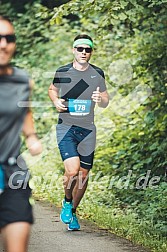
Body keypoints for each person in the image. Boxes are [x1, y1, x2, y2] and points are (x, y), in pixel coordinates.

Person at [48, 34, 109, 231]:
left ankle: (73, 211)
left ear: (91, 52)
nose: (84, 52)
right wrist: (55, 101)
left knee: (83, 174)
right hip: (66, 127)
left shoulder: (97, 73)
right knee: (72, 170)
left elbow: (106, 101)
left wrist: (100, 98)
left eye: (87, 49)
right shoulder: (63, 71)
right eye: (80, 49)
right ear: (73, 50)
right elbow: (52, 89)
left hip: (88, 129)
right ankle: (66, 201)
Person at [0, 15, 42, 252]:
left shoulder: (22, 80)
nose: (3, 44)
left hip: (12, 172)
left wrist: (31, 136)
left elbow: (25, 110)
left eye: (9, 38)